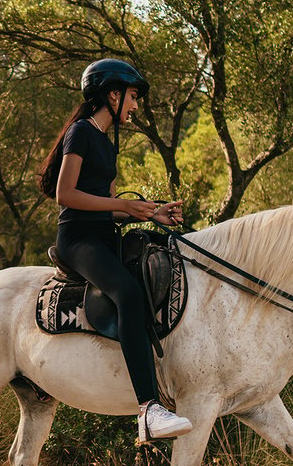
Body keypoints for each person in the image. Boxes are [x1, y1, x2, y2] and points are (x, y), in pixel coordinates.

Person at [37, 59, 194, 443]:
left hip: (104, 235)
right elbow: (66, 195)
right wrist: (125, 207)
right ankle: (148, 410)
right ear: (112, 94)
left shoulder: (106, 146)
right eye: (133, 97)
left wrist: (153, 213)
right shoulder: (80, 134)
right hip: (77, 240)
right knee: (126, 291)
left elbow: (108, 204)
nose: (136, 106)